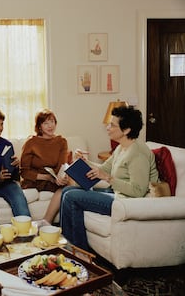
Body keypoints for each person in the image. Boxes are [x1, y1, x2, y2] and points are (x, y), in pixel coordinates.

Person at [60, 106, 159, 251]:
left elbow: (138, 191)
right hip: (117, 195)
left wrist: (108, 178)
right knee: (67, 190)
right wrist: (83, 160)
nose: (108, 127)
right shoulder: (121, 148)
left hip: (127, 203)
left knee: (71, 196)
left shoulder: (138, 153)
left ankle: (79, 252)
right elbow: (103, 169)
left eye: (112, 125)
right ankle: (70, 246)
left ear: (126, 130)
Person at [20, 109, 69, 224]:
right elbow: (24, 171)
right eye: (46, 123)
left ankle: (50, 223)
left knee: (70, 186)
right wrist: (46, 177)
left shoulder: (61, 141)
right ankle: (47, 221)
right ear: (40, 127)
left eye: (52, 121)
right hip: (36, 181)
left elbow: (62, 165)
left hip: (54, 180)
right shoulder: (31, 143)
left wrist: (61, 177)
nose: (50, 126)